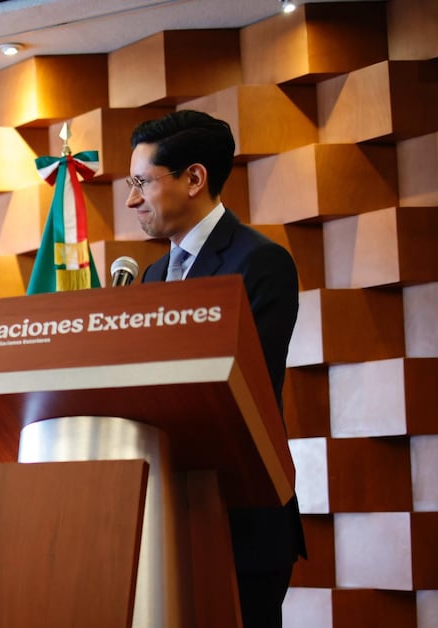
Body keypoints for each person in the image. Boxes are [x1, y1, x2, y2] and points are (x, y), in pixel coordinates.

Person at [128, 110, 306, 627]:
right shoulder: (152, 275)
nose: (131, 200)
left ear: (194, 179)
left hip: (237, 520)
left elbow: (242, 392)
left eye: (142, 183)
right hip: (163, 518)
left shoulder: (259, 262)